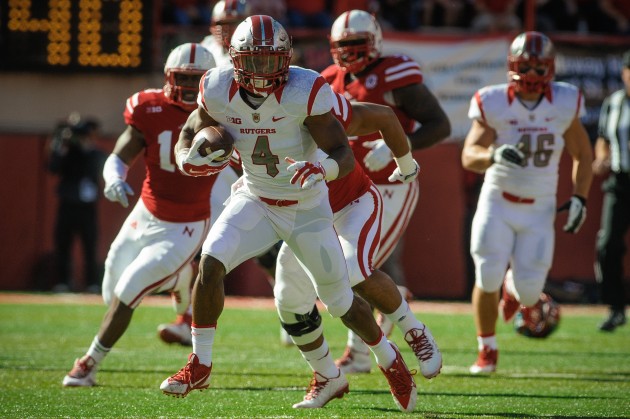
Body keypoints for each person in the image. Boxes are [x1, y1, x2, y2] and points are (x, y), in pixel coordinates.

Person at [159, 15, 417, 412]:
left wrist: (323, 169)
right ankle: (201, 362)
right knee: (211, 262)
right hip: (256, 198)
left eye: (270, 60)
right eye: (253, 61)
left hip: (305, 206)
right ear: (234, 59)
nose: (262, 71)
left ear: (286, 58)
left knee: (340, 300)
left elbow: (343, 154)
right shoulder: (216, 86)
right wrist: (184, 158)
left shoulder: (304, 89)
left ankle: (389, 359)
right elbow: (193, 127)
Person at [62, 43, 218, 387]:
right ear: (168, 77)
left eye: (198, 80)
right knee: (111, 287)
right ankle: (176, 279)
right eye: (183, 79)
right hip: (146, 212)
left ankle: (88, 364)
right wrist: (113, 176)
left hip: (186, 224)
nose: (190, 88)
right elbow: (122, 151)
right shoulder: (148, 106)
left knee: (131, 288)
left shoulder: (222, 112)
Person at [275, 91, 442, 409]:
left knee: (351, 271)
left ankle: (413, 329)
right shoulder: (236, 111)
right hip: (307, 219)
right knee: (288, 298)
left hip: (351, 204)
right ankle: (327, 376)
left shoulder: (309, 97)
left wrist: (405, 163)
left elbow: (384, 116)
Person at [321, 9, 451, 374]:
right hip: (347, 188)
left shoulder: (397, 74)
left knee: (358, 268)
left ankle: (364, 352)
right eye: (341, 45)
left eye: (354, 44)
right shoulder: (330, 79)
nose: (347, 52)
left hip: (392, 185)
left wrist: (401, 145)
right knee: (351, 268)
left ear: (374, 42)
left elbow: (440, 125)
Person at [461, 31, 593, 374]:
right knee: (487, 273)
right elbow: (469, 155)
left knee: (531, 293)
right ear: (511, 67)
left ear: (550, 69)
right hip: (498, 201)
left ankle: (514, 288)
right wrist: (493, 154)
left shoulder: (564, 101)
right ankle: (486, 348)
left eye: (539, 68)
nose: (532, 76)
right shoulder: (494, 101)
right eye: (525, 67)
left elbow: (582, 153)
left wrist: (580, 196)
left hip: (539, 207)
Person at [593, 49, 630, 332]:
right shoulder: (613, 103)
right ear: (624, 73)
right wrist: (602, 157)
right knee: (608, 245)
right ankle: (616, 307)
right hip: (619, 181)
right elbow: (603, 137)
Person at [48, 113, 106, 293]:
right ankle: (64, 282)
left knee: (90, 244)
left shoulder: (93, 152)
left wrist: (85, 147)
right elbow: (53, 167)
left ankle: (92, 283)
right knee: (63, 243)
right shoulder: (67, 153)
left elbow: (97, 165)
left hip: (87, 206)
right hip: (68, 203)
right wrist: (61, 146)